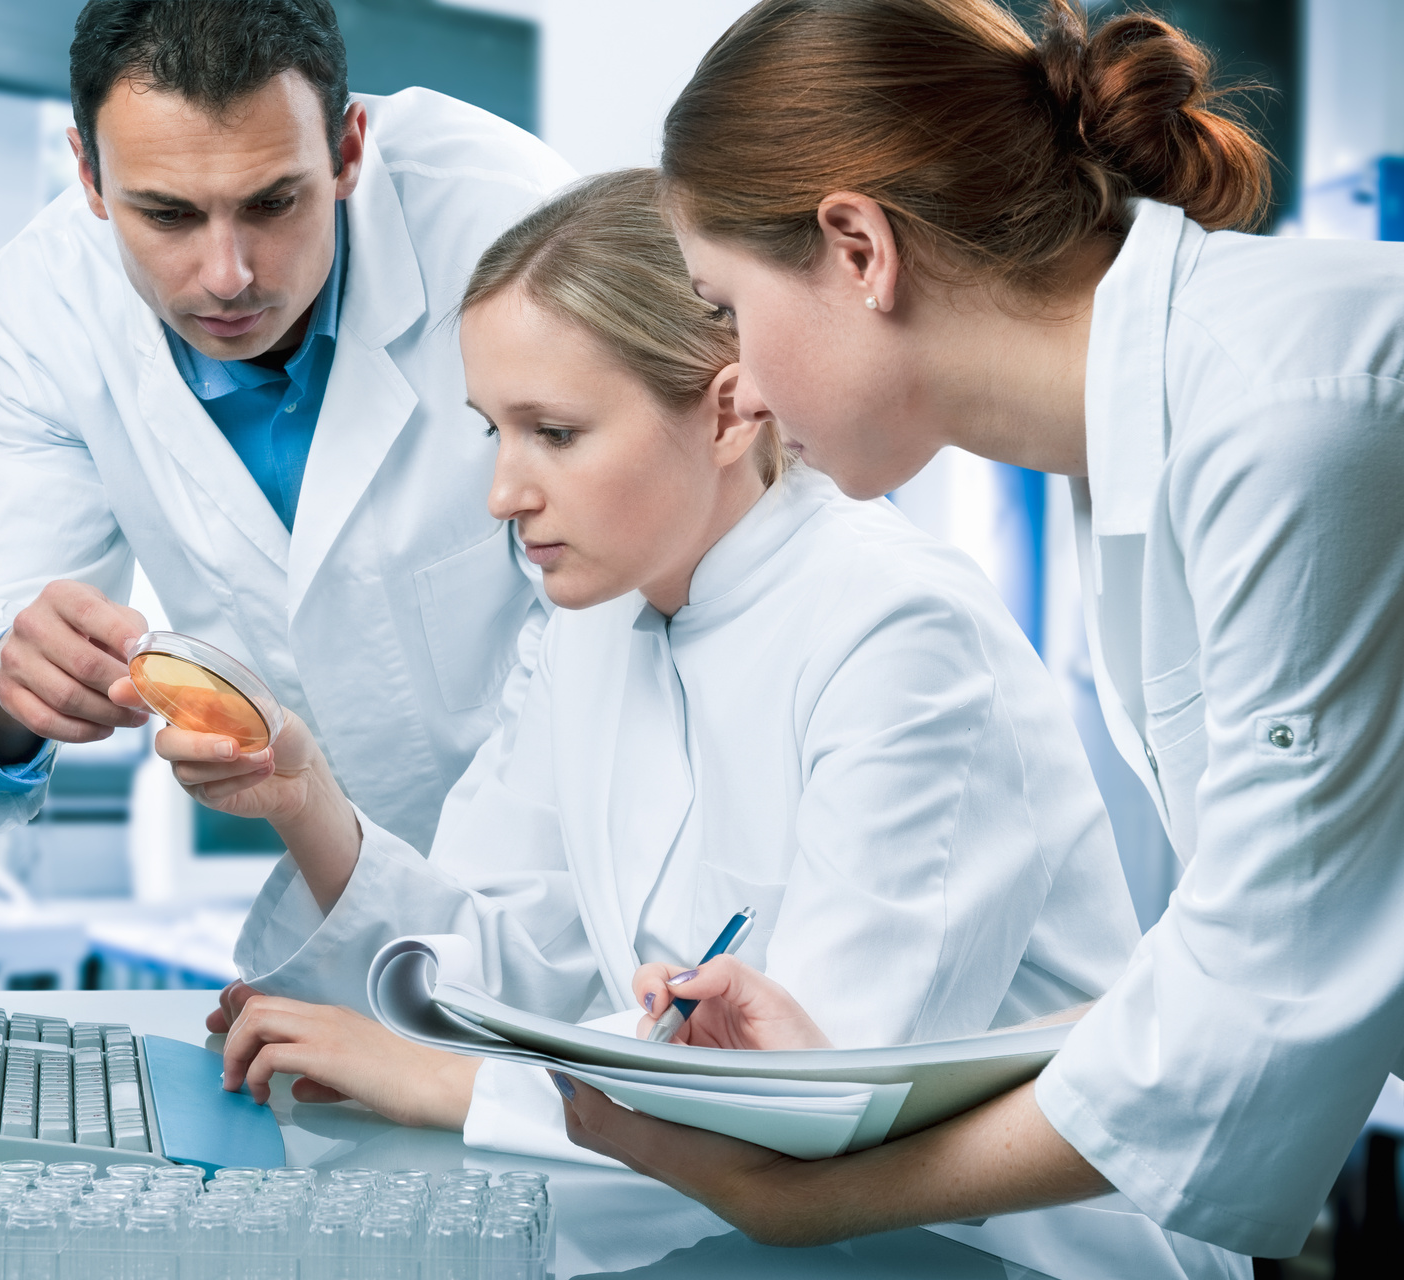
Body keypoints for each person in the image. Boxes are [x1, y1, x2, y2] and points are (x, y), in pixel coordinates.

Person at [155, 171, 1236, 1276]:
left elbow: (827, 1086)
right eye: (495, 431)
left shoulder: (898, 628)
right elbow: (512, 965)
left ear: (727, 409)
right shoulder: (596, 614)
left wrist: (446, 1080)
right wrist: (308, 803)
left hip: (1000, 1247)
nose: (502, 492)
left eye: (555, 432)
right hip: (746, 1229)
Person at [553, 0, 1404, 1265]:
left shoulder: (1286, 412)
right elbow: (1237, 959)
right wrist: (862, 1086)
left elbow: (1259, 994)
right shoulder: (1139, 449)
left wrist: (817, 1193)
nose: (735, 381)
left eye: (725, 306)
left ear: (857, 248)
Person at [0, 0, 574, 847]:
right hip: (348, 883)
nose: (227, 276)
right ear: (88, 176)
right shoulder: (47, 305)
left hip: (582, 863)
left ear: (347, 151)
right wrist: (8, 683)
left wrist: (477, 919)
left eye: (271, 204)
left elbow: (629, 602)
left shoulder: (516, 231)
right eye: (167, 215)